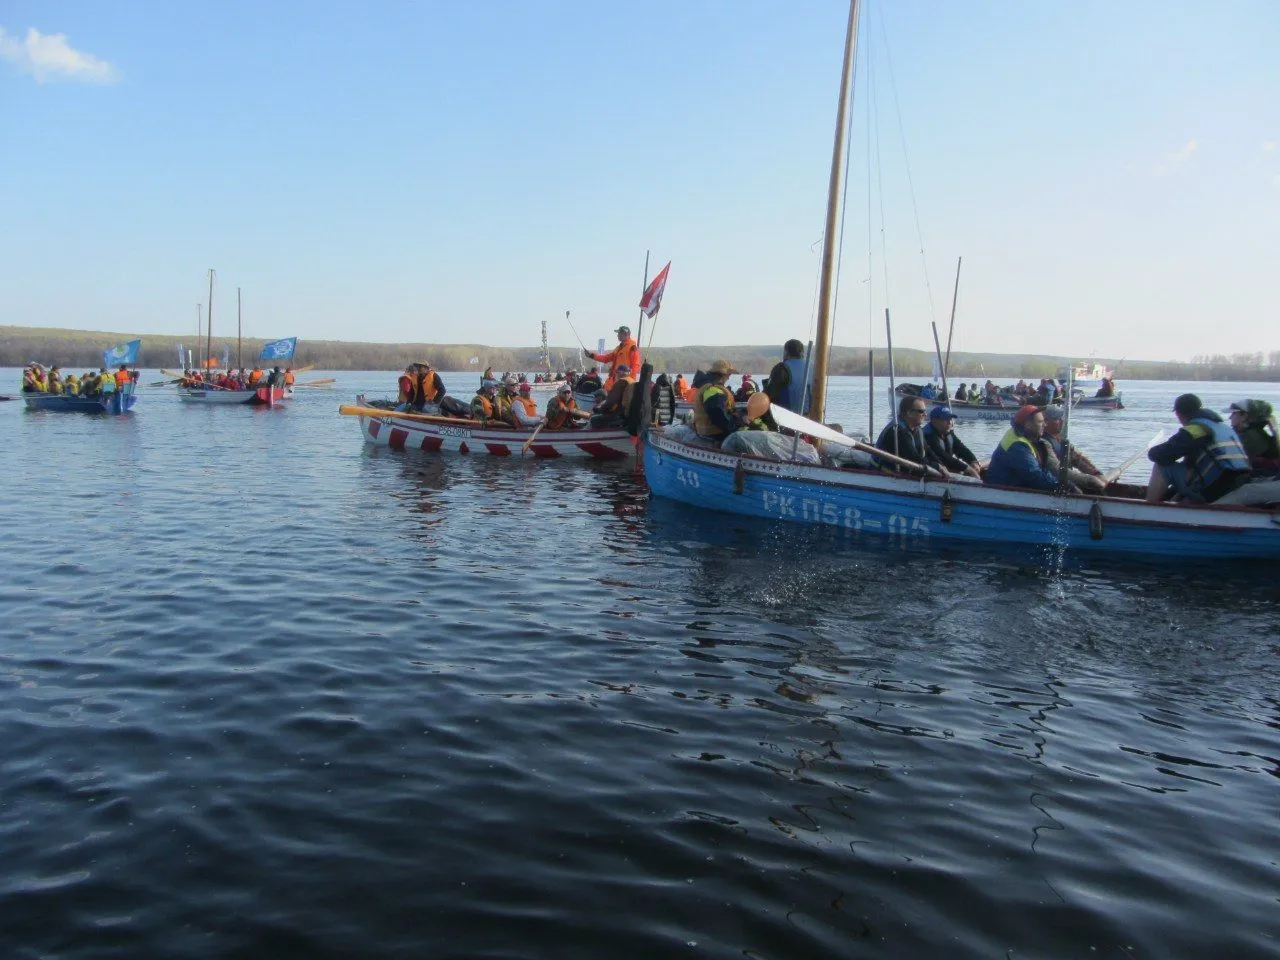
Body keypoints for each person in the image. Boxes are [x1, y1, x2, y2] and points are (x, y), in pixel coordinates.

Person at [1145, 393, 1250, 504]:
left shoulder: (1196, 429)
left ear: (1178, 413)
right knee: (1188, 467)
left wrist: (1151, 450)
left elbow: (1161, 454)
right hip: (1235, 483)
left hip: (1215, 489)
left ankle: (1148, 508)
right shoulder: (1222, 427)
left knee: (1161, 466)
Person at [985, 405, 1061, 491]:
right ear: (1027, 424)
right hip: (1001, 493)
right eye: (1040, 422)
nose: (1045, 425)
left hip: (1014, 488)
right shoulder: (1017, 445)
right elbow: (1035, 475)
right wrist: (1060, 485)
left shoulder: (1022, 434)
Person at [1041, 406, 1105, 493]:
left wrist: (1097, 474)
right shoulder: (1043, 442)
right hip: (1053, 486)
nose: (1062, 421)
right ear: (1046, 422)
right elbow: (1056, 469)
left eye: (1062, 418)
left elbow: (1079, 459)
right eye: (1057, 419)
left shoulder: (1061, 441)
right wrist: (1089, 480)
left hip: (1066, 482)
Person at [875, 396, 938, 474]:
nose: (925, 414)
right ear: (909, 413)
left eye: (925, 411)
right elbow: (913, 457)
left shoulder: (917, 429)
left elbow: (928, 450)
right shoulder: (897, 431)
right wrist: (936, 467)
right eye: (921, 411)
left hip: (908, 468)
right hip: (886, 472)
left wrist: (940, 465)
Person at [922, 406, 981, 479]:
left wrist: (973, 461)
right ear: (934, 420)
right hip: (933, 472)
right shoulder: (928, 436)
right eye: (945, 419)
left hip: (948, 469)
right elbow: (944, 457)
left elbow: (961, 449)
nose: (949, 422)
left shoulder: (948, 433)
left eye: (950, 419)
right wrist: (968, 469)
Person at [692, 359, 739, 443]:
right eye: (729, 374)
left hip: (706, 434)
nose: (729, 377)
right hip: (715, 436)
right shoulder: (713, 390)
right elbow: (718, 415)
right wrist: (737, 426)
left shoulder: (709, 387)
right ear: (723, 375)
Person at [586, 325, 642, 393]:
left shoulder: (632, 348)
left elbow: (635, 365)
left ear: (625, 334)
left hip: (624, 383)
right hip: (615, 380)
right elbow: (606, 358)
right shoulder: (618, 348)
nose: (617, 335)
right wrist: (592, 356)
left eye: (619, 333)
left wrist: (630, 382)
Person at [764, 339, 808, 414]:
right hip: (810, 417)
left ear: (786, 352)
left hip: (787, 417)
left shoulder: (781, 368)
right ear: (802, 352)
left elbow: (768, 394)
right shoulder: (814, 368)